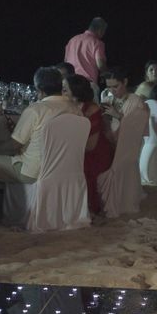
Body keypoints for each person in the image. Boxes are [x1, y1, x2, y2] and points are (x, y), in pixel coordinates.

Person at [0, 67, 81, 229]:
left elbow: (14, 145)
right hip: (65, 169)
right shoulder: (76, 110)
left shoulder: (36, 110)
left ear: (39, 89)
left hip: (34, 171)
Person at [63, 74, 114, 215]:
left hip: (95, 153)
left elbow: (91, 146)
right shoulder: (65, 106)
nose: (61, 92)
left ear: (76, 90)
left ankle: (86, 207)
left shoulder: (92, 109)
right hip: (79, 150)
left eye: (65, 89)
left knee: (78, 167)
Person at [100, 67, 144, 141]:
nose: (112, 91)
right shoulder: (107, 100)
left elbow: (139, 127)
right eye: (108, 87)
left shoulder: (136, 101)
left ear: (125, 82)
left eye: (115, 86)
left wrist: (117, 115)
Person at [64, 17, 108, 84]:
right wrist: (106, 76)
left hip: (71, 82)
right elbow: (100, 65)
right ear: (100, 30)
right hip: (87, 83)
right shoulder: (97, 43)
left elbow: (65, 62)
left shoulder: (72, 40)